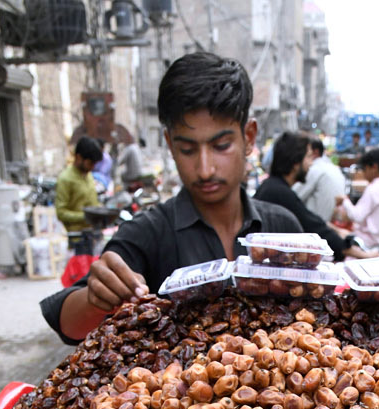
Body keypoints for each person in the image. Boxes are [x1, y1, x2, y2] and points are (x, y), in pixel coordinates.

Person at [41, 52, 301, 345]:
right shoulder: (147, 234)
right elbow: (70, 326)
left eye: (221, 145)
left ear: (249, 137)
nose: (205, 169)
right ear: (169, 144)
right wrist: (95, 297)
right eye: (188, 150)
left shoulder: (284, 229)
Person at [255, 131, 373, 260]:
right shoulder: (278, 192)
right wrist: (361, 254)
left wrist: (337, 231)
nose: (311, 164)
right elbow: (312, 226)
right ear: (295, 162)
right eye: (308, 157)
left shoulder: (274, 187)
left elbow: (310, 218)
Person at [334, 147, 379, 248]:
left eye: (364, 169)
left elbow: (357, 216)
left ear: (374, 167)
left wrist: (344, 200)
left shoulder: (374, 189)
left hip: (367, 241)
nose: (363, 173)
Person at [55, 136, 103, 254]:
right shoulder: (65, 179)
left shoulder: (88, 176)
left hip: (94, 235)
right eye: (90, 163)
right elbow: (61, 212)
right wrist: (85, 216)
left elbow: (92, 203)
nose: (92, 167)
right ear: (79, 157)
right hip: (78, 240)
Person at [292, 137, 346, 222]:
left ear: (315, 152)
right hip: (328, 223)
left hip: (315, 226)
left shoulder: (314, 169)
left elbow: (293, 197)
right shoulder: (333, 168)